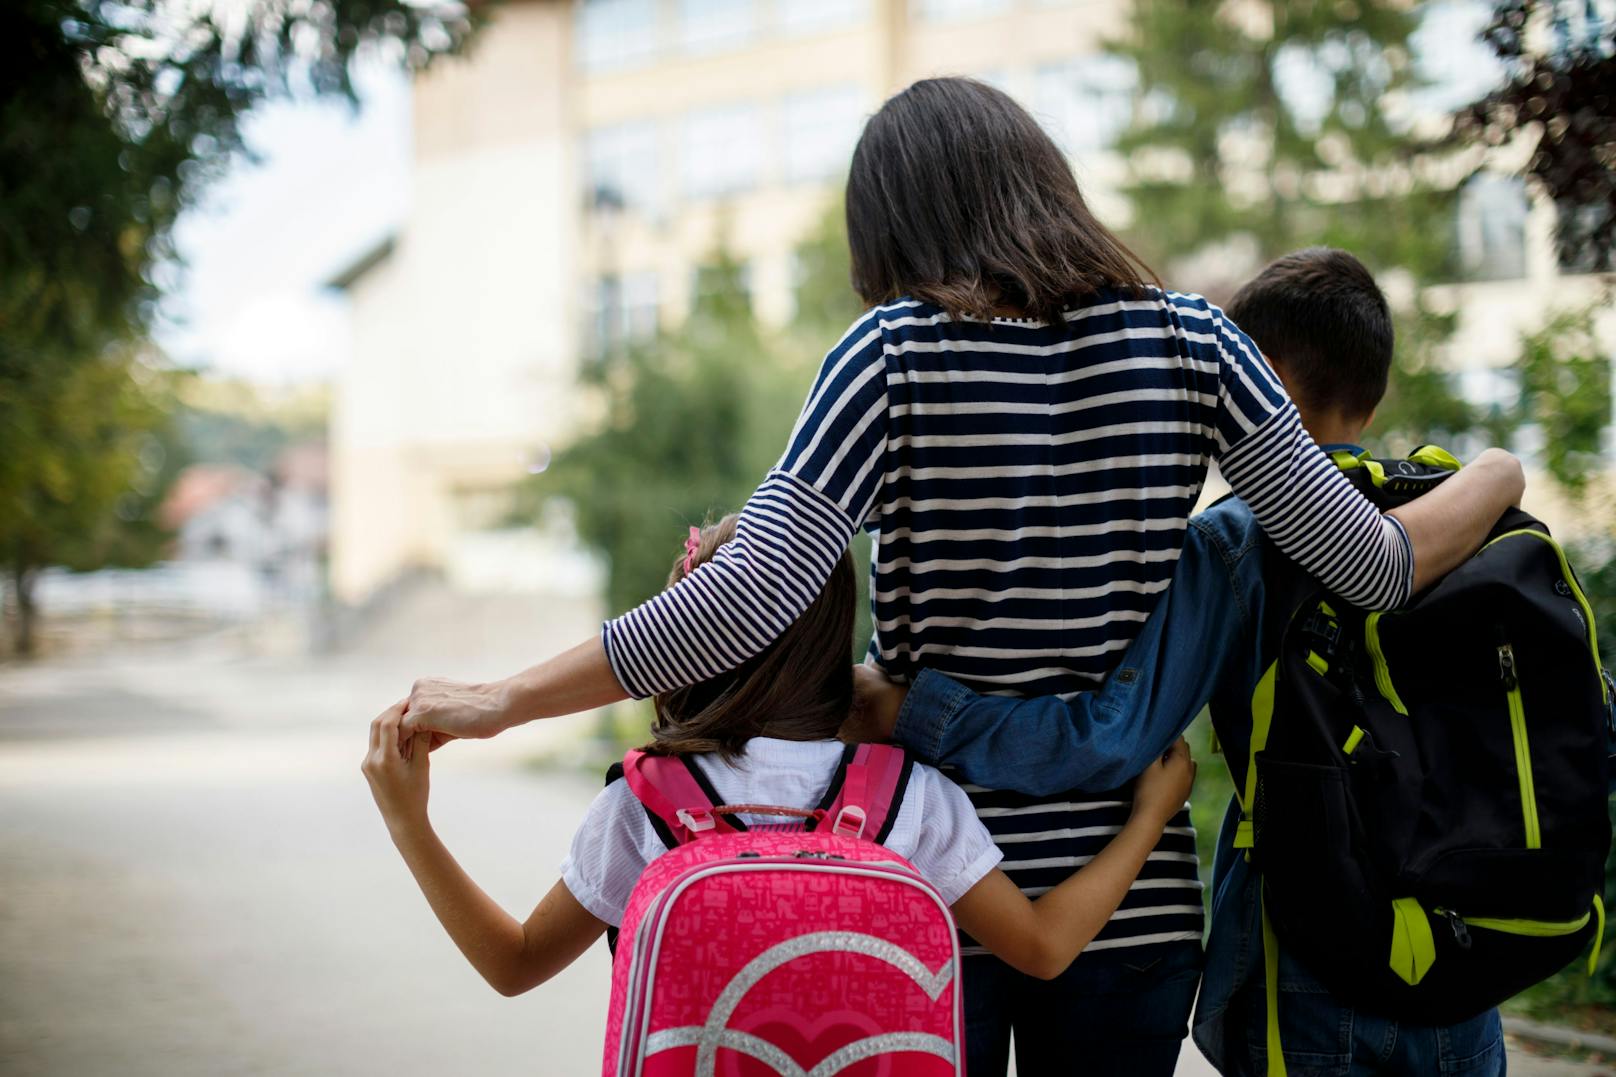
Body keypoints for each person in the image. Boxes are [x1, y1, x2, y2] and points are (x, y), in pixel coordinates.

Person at [399, 79, 1523, 1074]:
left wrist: (501, 700)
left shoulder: (890, 354)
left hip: (924, 882)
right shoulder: (1197, 344)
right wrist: (1494, 473)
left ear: (893, 227)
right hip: (1131, 894)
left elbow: (745, 598)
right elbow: (1373, 569)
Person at [851, 248, 1512, 1076]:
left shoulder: (1235, 545)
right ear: (1370, 404)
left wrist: (907, 709)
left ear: (1255, 380)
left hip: (1316, 951)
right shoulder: (1457, 514)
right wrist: (1499, 469)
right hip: (1466, 962)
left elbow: (1109, 736)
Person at [362, 515, 1198, 1010]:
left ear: (683, 640)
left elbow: (513, 964)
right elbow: (1045, 948)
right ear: (838, 637)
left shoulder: (645, 805)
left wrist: (409, 821)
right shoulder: (908, 798)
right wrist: (1149, 819)